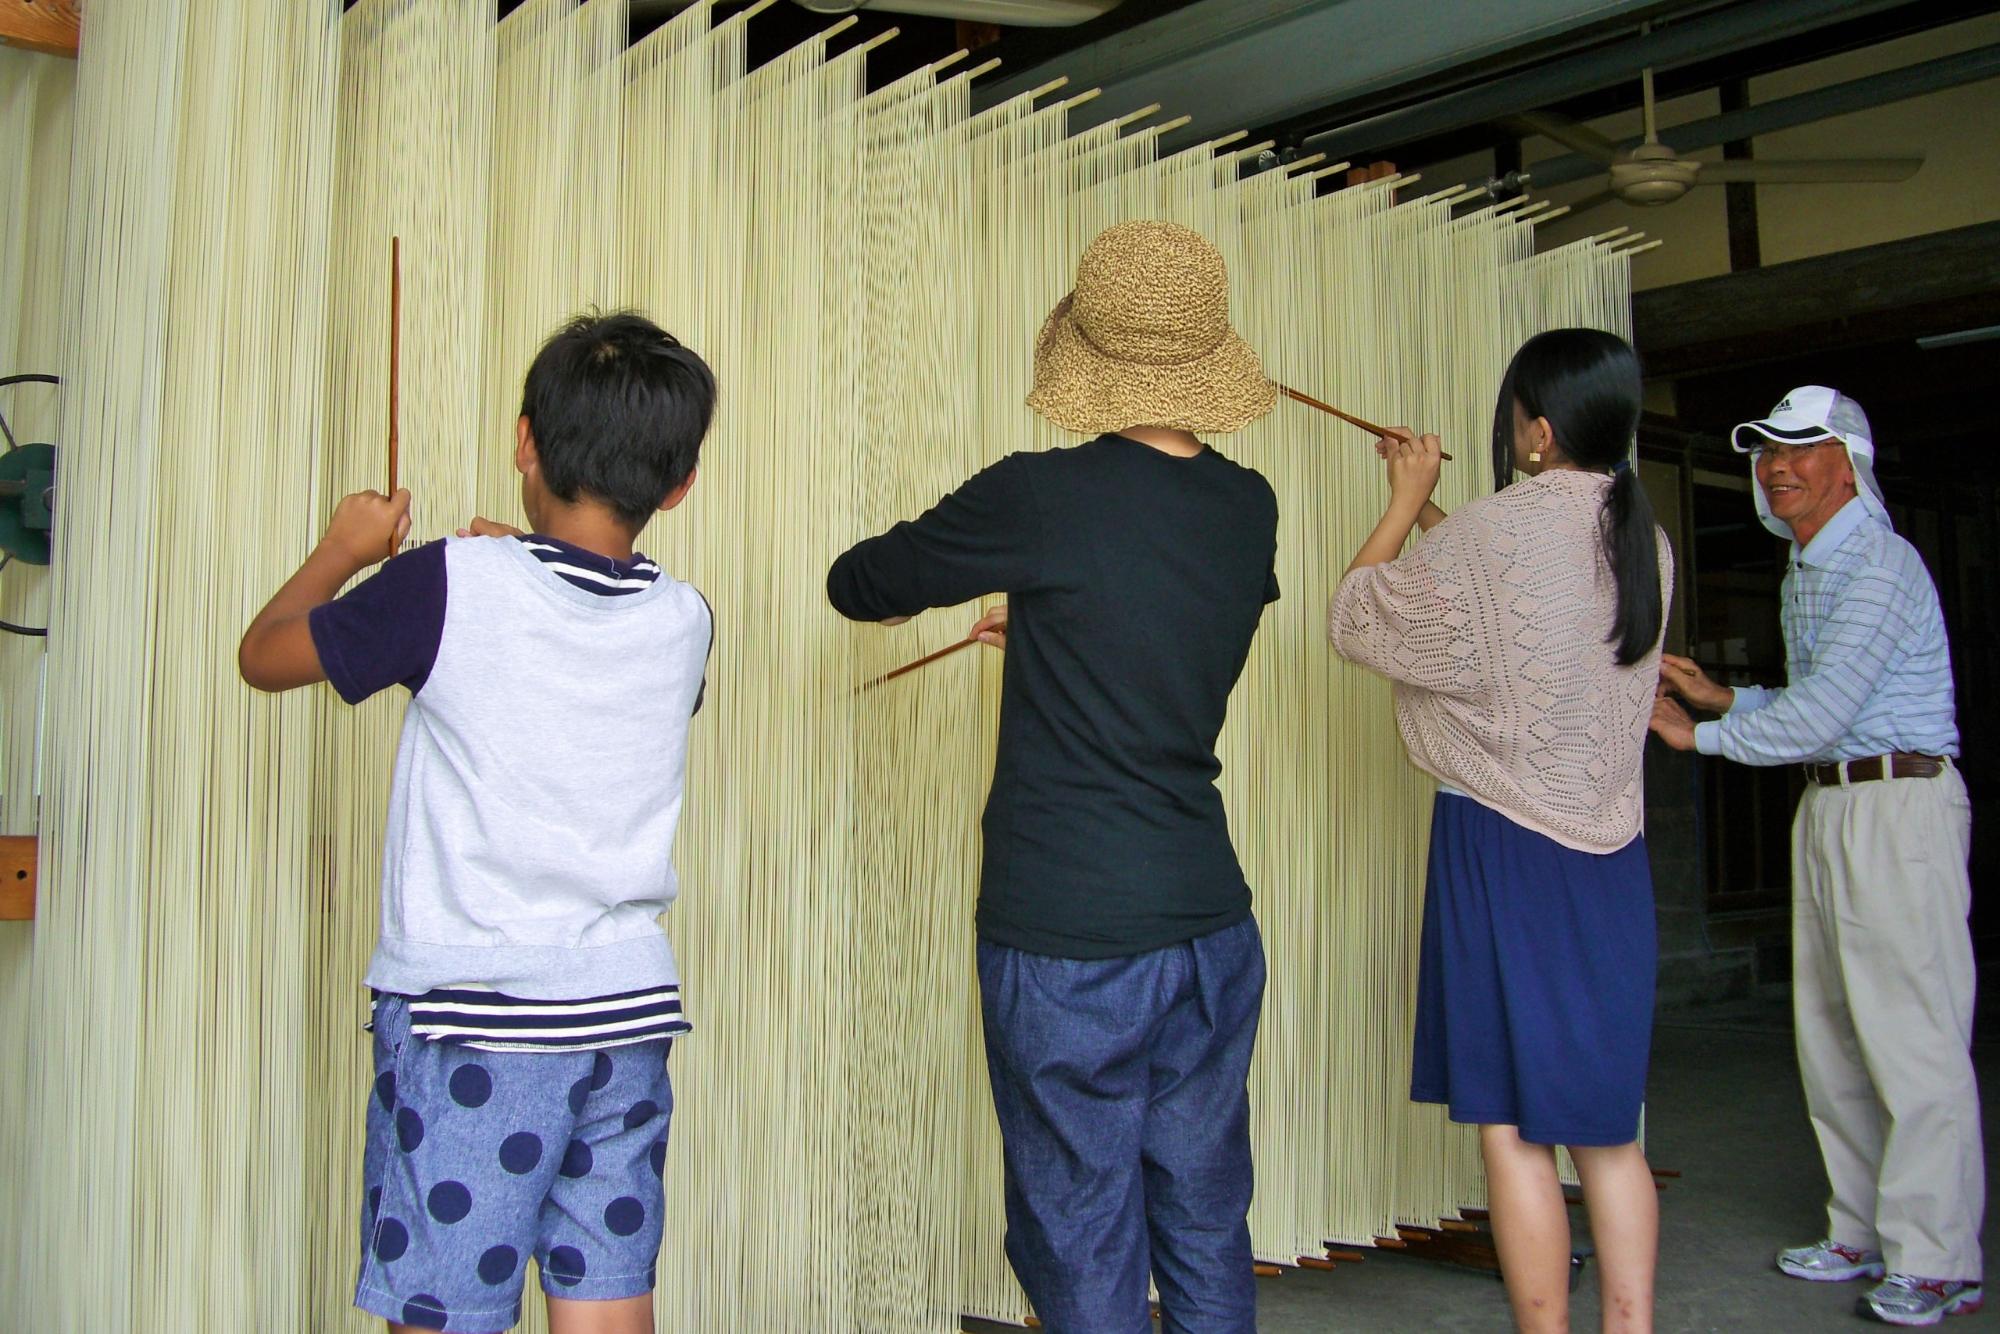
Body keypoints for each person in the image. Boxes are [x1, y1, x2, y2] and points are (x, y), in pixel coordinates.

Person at [825, 219, 1279, 1333]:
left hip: (1068, 927)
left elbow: (859, 582)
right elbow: (1152, 633)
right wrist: (1043, 623)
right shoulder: (1246, 504)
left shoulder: (1036, 497)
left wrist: (1029, 591)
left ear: (1085, 349)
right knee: (1206, 1212)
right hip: (1208, 922)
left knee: (1078, 1231)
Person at [238, 312, 717, 1334]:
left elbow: (265, 653)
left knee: (446, 1306)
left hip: (475, 1021)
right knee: (605, 1297)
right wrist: (512, 559)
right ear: (677, 484)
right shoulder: (685, 621)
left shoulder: (445, 585)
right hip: (622, 1022)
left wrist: (344, 547)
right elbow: (571, 638)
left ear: (523, 441)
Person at [1330, 328, 1671, 1334]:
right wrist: (1446, 513)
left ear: (1534, 428)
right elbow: (1526, 606)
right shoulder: (1640, 536)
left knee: (1514, 1129)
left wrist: (1400, 501)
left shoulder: (1489, 533)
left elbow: (1357, 618)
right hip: (1611, 860)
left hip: (1502, 851)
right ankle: (1628, 1322)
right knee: (1606, 1132)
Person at [1651, 385, 1981, 1328]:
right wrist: (1724, 699)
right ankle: (1859, 1231)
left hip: (1897, 806)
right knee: (1832, 1030)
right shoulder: (1808, 569)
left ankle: (1938, 1257)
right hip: (1834, 803)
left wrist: (1700, 738)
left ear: (1849, 462)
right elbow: (1819, 712)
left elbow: (1829, 715)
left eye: (1800, 448)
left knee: (1910, 1037)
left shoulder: (1876, 561)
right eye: (1764, 451)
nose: (1776, 466)